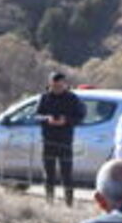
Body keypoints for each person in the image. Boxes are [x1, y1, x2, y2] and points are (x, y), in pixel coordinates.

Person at [35, 71, 86, 207]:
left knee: (67, 175)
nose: (57, 89)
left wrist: (66, 120)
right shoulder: (44, 98)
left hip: (65, 142)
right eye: (54, 86)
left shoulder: (72, 98)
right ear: (50, 84)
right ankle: (49, 202)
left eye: (60, 86)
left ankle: (69, 204)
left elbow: (81, 117)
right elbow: (36, 116)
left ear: (65, 84)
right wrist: (47, 119)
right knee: (48, 175)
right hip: (48, 141)